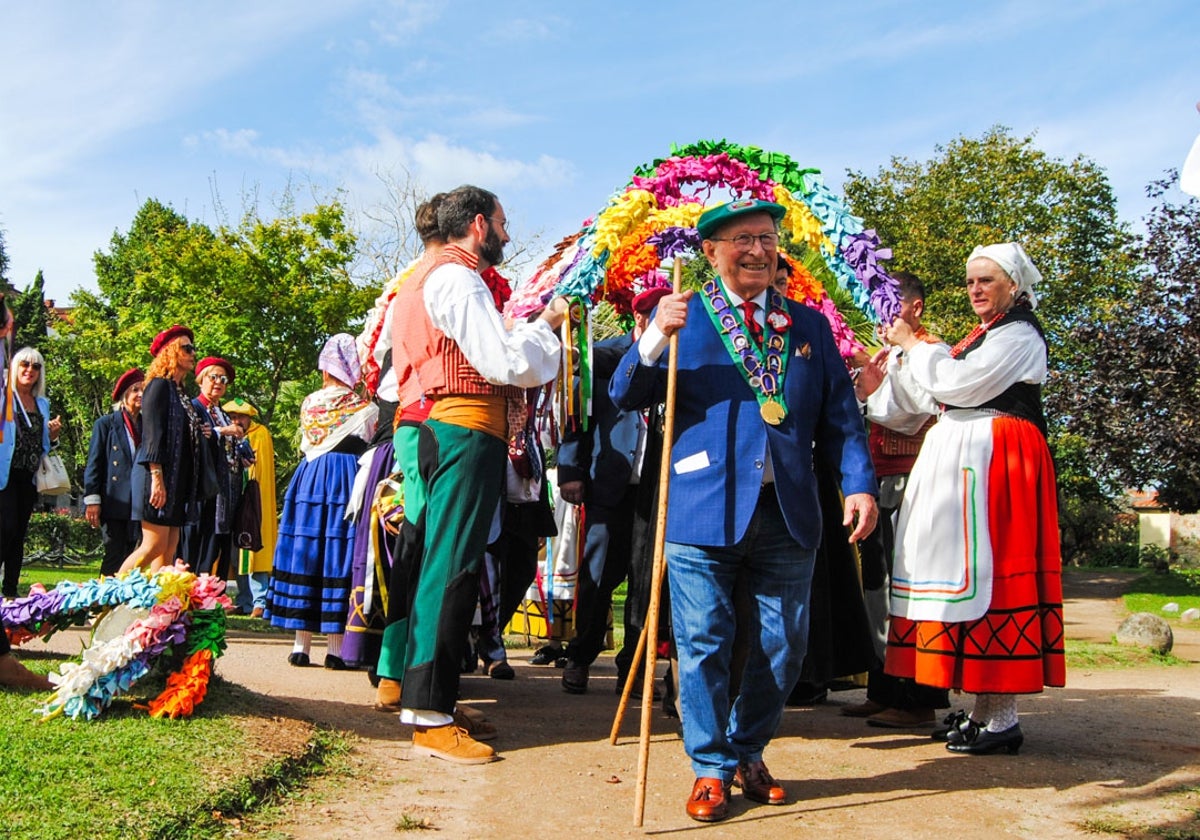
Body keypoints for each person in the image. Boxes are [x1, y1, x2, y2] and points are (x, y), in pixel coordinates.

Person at [610, 199, 878, 822]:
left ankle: (747, 750)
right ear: (711, 251)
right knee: (703, 641)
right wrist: (652, 338)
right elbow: (625, 394)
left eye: (767, 238)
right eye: (742, 240)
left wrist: (857, 483)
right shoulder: (681, 315)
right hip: (701, 508)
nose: (758, 250)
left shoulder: (808, 328)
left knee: (785, 645)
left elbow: (841, 417)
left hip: (787, 510)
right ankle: (709, 767)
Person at [390, 184, 567, 765]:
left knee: (441, 567)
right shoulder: (457, 277)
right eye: (501, 221)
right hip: (463, 429)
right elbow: (506, 363)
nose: (507, 233)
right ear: (475, 223)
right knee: (453, 569)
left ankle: (427, 702)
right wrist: (548, 326)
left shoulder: (419, 277)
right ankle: (432, 715)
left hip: (447, 428)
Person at [880, 243, 1065, 755]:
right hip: (964, 461)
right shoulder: (980, 337)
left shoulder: (1019, 334)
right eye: (970, 282)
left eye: (987, 280)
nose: (976, 290)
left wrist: (916, 344)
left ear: (1013, 284)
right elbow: (923, 401)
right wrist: (886, 366)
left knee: (993, 579)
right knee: (966, 582)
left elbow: (957, 384)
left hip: (997, 461)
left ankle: (1002, 716)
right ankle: (986, 713)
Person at [844, 271, 951, 727]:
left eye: (891, 306)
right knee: (878, 586)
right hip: (882, 479)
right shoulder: (891, 355)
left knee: (911, 585)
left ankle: (919, 698)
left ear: (916, 308)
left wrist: (868, 397)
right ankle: (883, 686)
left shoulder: (935, 352)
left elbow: (916, 415)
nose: (883, 317)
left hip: (916, 479)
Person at [557, 285, 668, 695]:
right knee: (598, 575)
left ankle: (633, 669)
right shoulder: (602, 356)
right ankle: (580, 656)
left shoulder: (680, 359)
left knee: (646, 581)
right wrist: (571, 468)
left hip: (656, 490)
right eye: (657, 315)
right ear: (640, 319)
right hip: (608, 483)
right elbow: (578, 415)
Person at [265, 334, 378, 668]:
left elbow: (306, 444)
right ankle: (335, 649)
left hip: (310, 478)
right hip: (345, 479)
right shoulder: (365, 408)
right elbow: (371, 443)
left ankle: (301, 646)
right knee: (337, 553)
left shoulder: (309, 403)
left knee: (307, 551)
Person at [120, 326, 204, 574]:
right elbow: (152, 436)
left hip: (177, 480)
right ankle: (106, 597)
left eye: (193, 348)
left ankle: (157, 607)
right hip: (156, 475)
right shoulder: (157, 386)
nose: (193, 353)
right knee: (153, 545)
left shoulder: (181, 392)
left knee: (168, 547)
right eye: (186, 348)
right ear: (170, 352)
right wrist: (157, 478)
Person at [1, 347, 63, 598]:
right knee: (5, 527)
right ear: (15, 367)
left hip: (28, 476)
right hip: (4, 475)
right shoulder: (4, 397)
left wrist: (54, 436)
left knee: (18, 533)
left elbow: (44, 444)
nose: (30, 370)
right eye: (25, 364)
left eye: (35, 366)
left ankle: (11, 591)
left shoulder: (42, 403)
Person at [182, 357, 249, 579]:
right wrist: (223, 432)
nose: (218, 383)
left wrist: (242, 457)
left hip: (225, 486)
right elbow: (195, 437)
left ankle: (209, 593)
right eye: (213, 377)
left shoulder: (222, 412)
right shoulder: (194, 407)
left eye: (224, 379)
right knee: (195, 541)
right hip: (200, 486)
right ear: (201, 380)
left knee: (217, 541)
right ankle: (188, 589)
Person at [84, 368, 145, 576]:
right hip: (113, 500)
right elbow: (95, 463)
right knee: (114, 551)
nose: (140, 395)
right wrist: (92, 501)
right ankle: (101, 602)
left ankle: (120, 601)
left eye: (144, 390)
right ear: (124, 395)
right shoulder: (106, 424)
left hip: (138, 501)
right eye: (135, 390)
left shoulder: (147, 426)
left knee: (131, 552)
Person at [223, 397, 275, 618]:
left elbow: (258, 469)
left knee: (254, 549)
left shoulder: (259, 434)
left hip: (253, 500)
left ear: (248, 418)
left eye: (240, 417)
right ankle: (243, 600)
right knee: (236, 552)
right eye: (232, 417)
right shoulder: (226, 435)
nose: (236, 420)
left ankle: (259, 600)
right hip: (232, 498)